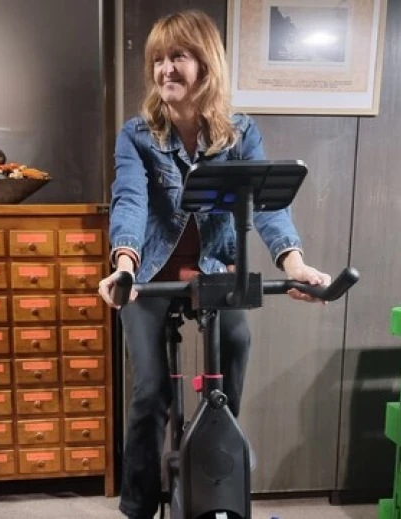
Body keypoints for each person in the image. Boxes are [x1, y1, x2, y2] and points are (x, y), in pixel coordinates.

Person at [95, 10, 331, 519]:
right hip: (150, 274)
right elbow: (130, 200)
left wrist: (294, 265)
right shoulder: (137, 135)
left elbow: (266, 206)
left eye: (178, 57)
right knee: (150, 389)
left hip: (213, 269)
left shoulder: (239, 133)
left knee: (234, 349)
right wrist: (126, 264)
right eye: (158, 60)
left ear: (206, 64)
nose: (165, 70)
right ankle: (138, 506)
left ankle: (212, 461)